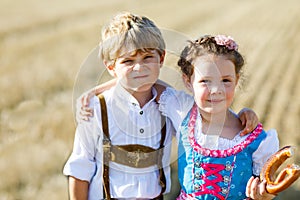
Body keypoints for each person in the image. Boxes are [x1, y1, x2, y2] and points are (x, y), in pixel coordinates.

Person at [63, 12, 174, 199]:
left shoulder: (170, 105)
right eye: (128, 61)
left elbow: (205, 124)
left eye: (147, 57)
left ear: (161, 58)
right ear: (111, 67)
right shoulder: (96, 109)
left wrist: (241, 115)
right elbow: (79, 169)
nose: (139, 67)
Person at [157, 35, 278, 199]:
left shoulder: (255, 139)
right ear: (188, 81)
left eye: (226, 80)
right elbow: (145, 86)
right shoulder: (181, 111)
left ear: (237, 81)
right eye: (205, 81)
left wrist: (263, 196)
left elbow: (269, 191)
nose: (216, 90)